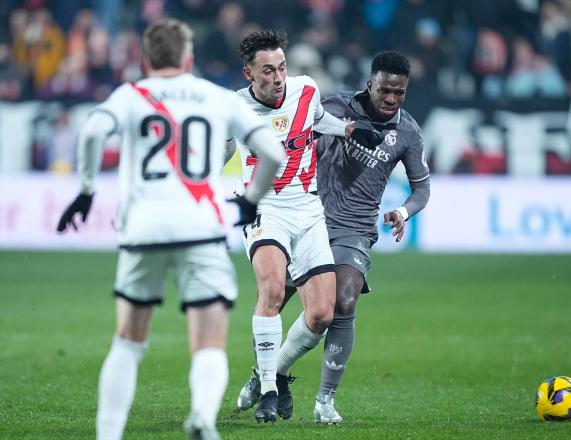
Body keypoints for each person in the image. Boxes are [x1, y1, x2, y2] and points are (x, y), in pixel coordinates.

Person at [56, 19, 284, 440]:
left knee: (128, 341)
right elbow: (272, 152)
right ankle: (201, 415)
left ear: (144, 59)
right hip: (201, 228)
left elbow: (91, 131)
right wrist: (251, 200)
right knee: (209, 342)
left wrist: (87, 189)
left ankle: (108, 434)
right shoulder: (215, 97)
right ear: (189, 58)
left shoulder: (131, 95)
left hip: (143, 229)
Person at [237, 50, 431, 424]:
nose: (391, 100)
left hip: (354, 228)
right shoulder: (333, 106)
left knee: (342, 303)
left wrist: (403, 211)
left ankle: (323, 400)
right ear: (369, 84)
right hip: (307, 216)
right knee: (273, 300)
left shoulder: (408, 132)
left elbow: (422, 188)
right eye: (385, 90)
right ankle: (269, 375)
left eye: (400, 93)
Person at [229, 29, 384, 423]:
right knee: (273, 288)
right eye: (268, 70)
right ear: (249, 74)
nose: (278, 76)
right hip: (266, 209)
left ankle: (273, 373)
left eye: (281, 67)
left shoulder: (307, 90)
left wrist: (349, 129)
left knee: (321, 315)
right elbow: (217, 155)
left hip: (309, 211)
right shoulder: (233, 109)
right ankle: (267, 393)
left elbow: (319, 119)